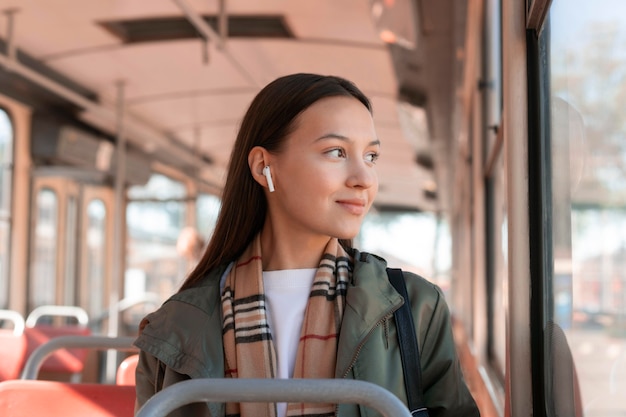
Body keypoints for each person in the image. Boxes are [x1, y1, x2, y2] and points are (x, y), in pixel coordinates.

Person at [133, 73, 480, 417]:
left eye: (371, 156)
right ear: (264, 166)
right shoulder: (174, 327)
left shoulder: (416, 308)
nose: (363, 179)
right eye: (336, 152)